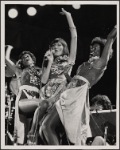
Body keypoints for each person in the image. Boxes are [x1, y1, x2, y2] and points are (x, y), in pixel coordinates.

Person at [40, 25, 117, 145]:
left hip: (76, 97)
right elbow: (74, 81)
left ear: (102, 50)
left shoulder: (101, 62)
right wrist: (66, 76)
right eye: (91, 47)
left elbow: (110, 37)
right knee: (45, 127)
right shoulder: (85, 64)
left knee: (56, 130)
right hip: (67, 93)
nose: (92, 49)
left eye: (96, 48)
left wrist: (116, 27)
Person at [27, 8, 77, 145]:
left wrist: (69, 16)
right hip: (47, 92)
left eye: (59, 44)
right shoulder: (48, 60)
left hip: (61, 92)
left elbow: (74, 37)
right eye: (53, 45)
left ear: (64, 47)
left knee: (47, 124)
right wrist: (48, 62)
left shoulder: (69, 59)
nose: (56, 47)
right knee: (44, 125)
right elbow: (43, 80)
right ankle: (33, 135)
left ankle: (31, 133)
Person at [5, 45, 48, 145]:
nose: (26, 58)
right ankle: (32, 133)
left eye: (28, 56)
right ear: (21, 62)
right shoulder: (20, 71)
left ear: (33, 59)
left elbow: (47, 79)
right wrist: (9, 49)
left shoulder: (40, 71)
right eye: (23, 58)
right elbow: (6, 59)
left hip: (37, 98)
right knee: (43, 104)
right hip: (24, 100)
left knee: (26, 140)